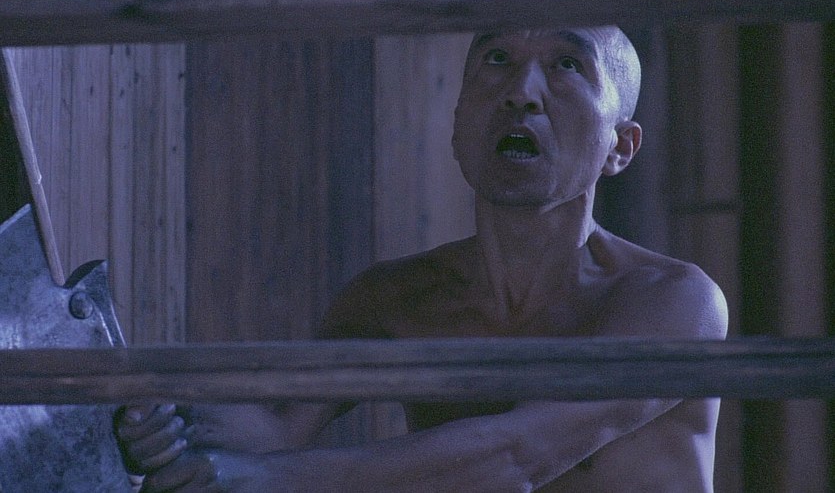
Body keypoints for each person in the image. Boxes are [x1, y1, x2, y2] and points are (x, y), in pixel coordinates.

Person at [116, 26, 728, 492]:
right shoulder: (393, 298)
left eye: (567, 65)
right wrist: (165, 421)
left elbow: (517, 455)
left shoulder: (674, 302)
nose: (521, 93)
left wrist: (274, 481)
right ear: (458, 123)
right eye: (497, 60)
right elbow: (275, 430)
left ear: (621, 146)